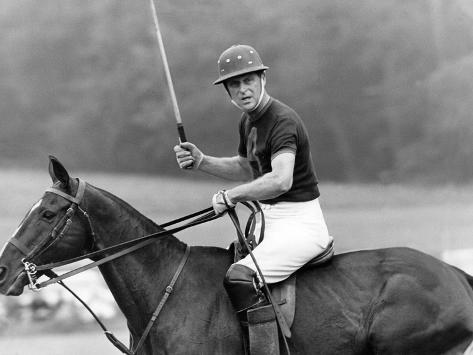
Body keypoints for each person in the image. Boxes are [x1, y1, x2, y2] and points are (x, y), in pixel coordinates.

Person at [174, 44, 332, 350]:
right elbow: (248, 167)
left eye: (249, 80)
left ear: (263, 79)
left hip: (301, 226)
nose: (243, 89)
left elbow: (280, 179)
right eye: (235, 84)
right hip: (269, 221)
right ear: (228, 92)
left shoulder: (282, 120)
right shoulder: (249, 121)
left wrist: (232, 196)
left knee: (240, 277)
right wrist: (202, 162)